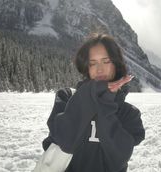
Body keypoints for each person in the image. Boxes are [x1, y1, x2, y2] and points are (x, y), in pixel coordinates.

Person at [41, 33, 145, 172]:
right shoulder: (67, 98)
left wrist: (107, 102)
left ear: (116, 64)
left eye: (106, 61)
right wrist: (90, 92)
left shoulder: (129, 113)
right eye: (92, 63)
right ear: (86, 67)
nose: (99, 69)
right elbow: (64, 141)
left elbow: (118, 159)